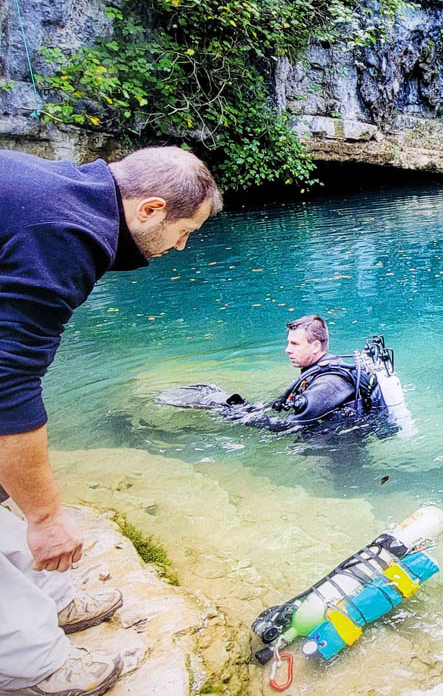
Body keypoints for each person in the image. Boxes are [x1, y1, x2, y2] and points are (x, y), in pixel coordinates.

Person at [0, 147, 222, 696]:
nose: (181, 247)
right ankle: (34, 668)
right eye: (184, 232)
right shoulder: (64, 232)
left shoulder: (58, 190)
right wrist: (47, 517)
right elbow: (7, 384)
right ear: (149, 210)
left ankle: (52, 598)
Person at [156, 317, 397, 434]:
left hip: (339, 454)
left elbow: (287, 426)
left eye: (294, 344)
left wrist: (232, 413)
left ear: (315, 347)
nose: (287, 350)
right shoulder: (326, 369)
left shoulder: (328, 385)